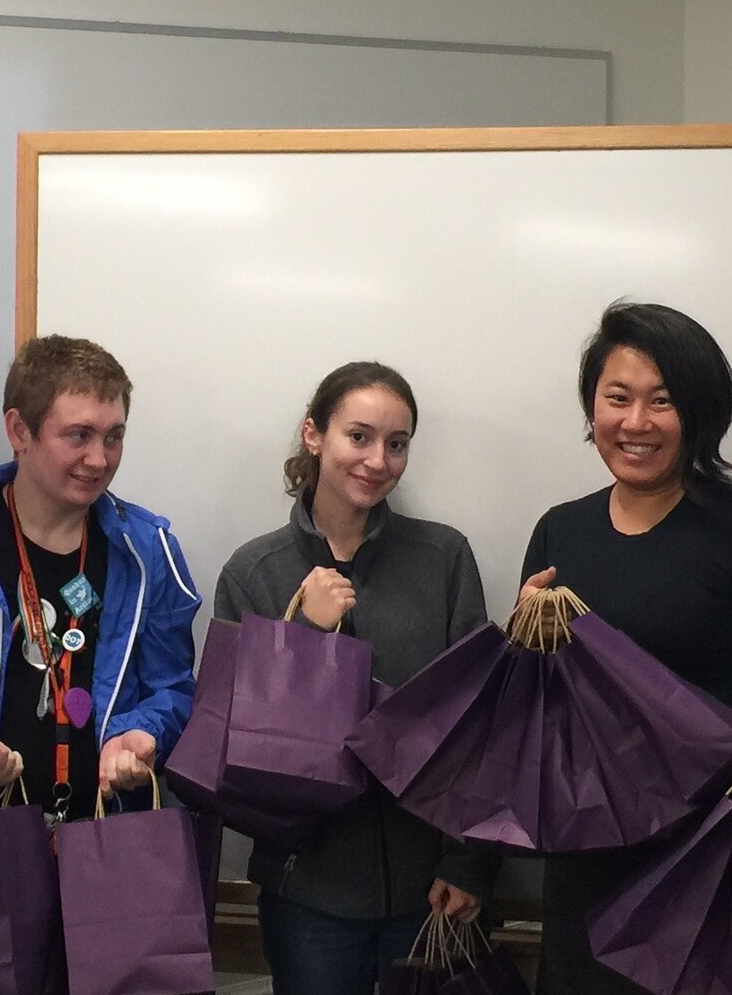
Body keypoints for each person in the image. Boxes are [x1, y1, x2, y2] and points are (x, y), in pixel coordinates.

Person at [517, 302, 732, 995]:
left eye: (662, 402)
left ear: (699, 414)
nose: (636, 423)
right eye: (618, 398)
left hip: (711, 859)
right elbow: (534, 713)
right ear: (592, 407)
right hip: (587, 857)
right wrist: (523, 646)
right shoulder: (558, 531)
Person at [212, 361, 500, 995]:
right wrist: (308, 636)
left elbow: (478, 721)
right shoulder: (254, 571)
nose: (378, 460)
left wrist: (469, 860)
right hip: (306, 888)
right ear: (314, 435)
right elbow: (238, 741)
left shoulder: (443, 557)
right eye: (359, 436)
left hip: (431, 886)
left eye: (397, 444)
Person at [0, 335, 200, 885]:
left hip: (104, 840)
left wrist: (141, 732)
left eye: (114, 436)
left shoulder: (149, 553)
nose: (99, 459)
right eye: (78, 435)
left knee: (101, 973)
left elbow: (172, 687)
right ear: (19, 431)